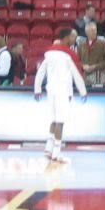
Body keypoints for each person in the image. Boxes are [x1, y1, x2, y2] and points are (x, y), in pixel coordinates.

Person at [34, 27, 87, 162]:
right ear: (66, 37)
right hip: (62, 91)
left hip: (50, 90)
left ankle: (48, 148)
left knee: (53, 120)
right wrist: (83, 91)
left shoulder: (49, 53)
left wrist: (37, 89)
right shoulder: (69, 55)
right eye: (73, 37)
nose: (75, 40)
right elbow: (76, 74)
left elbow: (41, 71)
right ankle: (57, 153)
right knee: (60, 122)